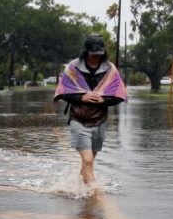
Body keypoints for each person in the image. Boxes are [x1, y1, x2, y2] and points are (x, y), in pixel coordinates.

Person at [53, 34, 127, 186]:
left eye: (99, 55)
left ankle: (77, 189)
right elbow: (63, 92)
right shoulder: (73, 68)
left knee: (89, 162)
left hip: (99, 121)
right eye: (93, 54)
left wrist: (103, 100)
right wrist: (82, 98)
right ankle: (94, 195)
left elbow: (120, 95)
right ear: (86, 52)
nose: (95, 58)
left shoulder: (110, 70)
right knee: (87, 160)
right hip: (78, 120)